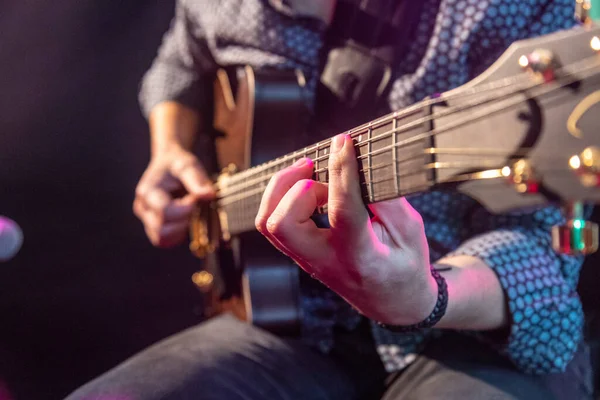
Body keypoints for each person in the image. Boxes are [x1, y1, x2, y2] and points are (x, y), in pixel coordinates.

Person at [66, 0, 595, 398]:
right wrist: (169, 150)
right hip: (282, 321)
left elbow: (544, 260)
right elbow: (176, 66)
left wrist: (422, 298)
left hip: (469, 326)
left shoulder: (508, 6)